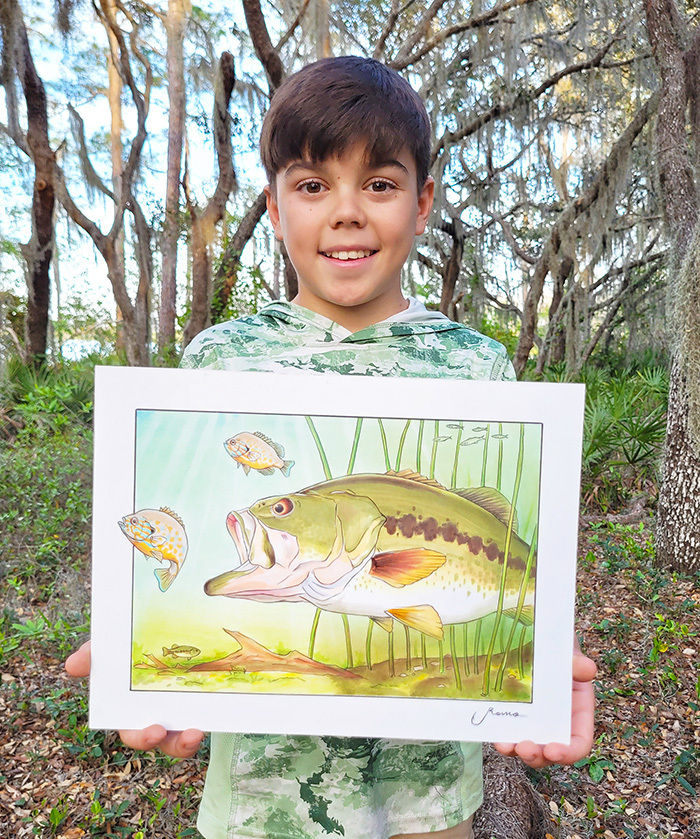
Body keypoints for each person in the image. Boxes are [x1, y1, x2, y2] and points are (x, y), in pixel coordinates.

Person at [66, 56, 596, 839]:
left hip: (431, 800)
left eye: (378, 184)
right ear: (275, 210)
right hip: (259, 801)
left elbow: (522, 549)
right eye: (313, 185)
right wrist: (137, 651)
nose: (347, 213)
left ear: (421, 204)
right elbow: (179, 526)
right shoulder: (220, 358)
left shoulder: (476, 365)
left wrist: (552, 662)